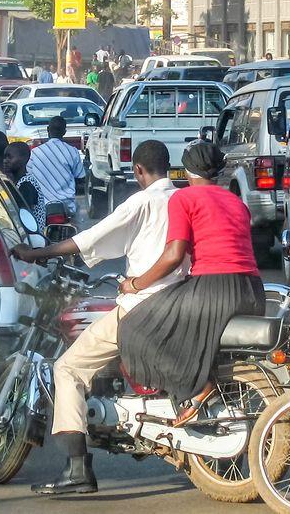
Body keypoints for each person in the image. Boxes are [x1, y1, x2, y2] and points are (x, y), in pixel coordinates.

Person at [12, 141, 182, 495]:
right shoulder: (181, 199)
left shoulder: (142, 201)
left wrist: (35, 254)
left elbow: (89, 239)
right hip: (181, 302)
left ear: (138, 170)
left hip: (142, 304)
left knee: (68, 369)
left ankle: (77, 468)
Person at [117, 142, 264, 426]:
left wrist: (134, 284)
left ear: (185, 171)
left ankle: (197, 387)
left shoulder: (184, 198)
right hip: (252, 289)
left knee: (136, 326)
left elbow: (173, 256)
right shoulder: (237, 202)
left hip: (214, 290)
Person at [27, 116, 85, 218]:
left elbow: (28, 176)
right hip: (67, 206)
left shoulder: (35, 153)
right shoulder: (72, 151)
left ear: (48, 130)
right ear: (64, 132)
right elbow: (80, 177)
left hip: (42, 206)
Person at [4, 141, 46, 230]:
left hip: (32, 238)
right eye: (5, 157)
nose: (5, 161)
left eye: (10, 157)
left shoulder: (26, 185)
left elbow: (25, 218)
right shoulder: (19, 181)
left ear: (24, 159)